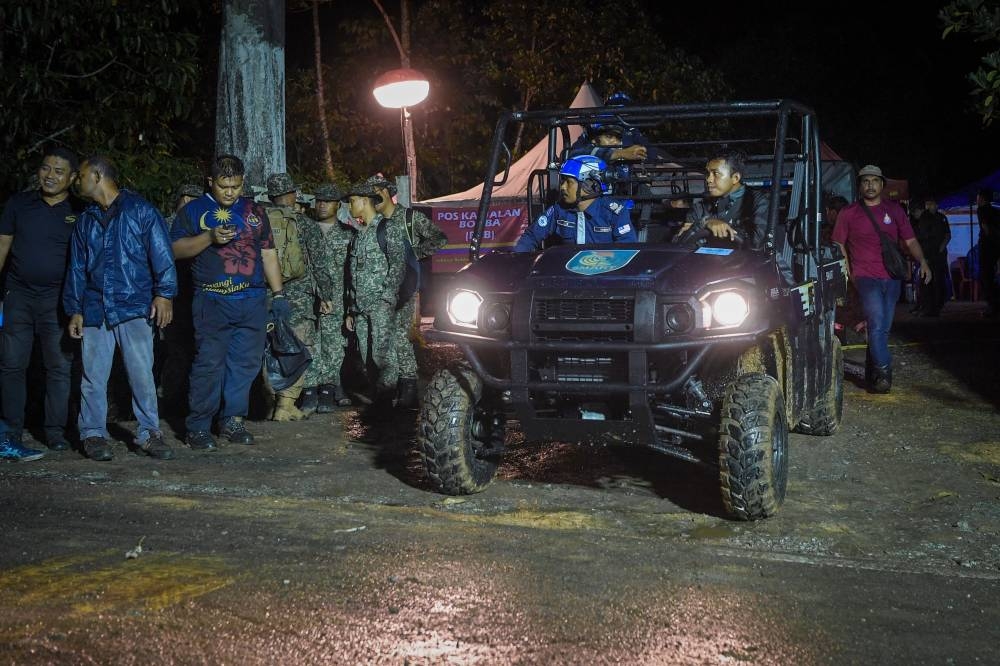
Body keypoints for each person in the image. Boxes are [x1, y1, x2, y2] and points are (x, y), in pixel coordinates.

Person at [63, 155, 178, 461]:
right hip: (95, 307)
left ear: (98, 176)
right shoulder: (86, 220)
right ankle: (93, 435)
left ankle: (149, 432)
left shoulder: (140, 210)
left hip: (134, 305)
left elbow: (162, 255)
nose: (78, 180)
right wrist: (75, 308)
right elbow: (77, 268)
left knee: (141, 374)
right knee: (92, 377)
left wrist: (164, 294)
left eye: (82, 175)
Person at [170, 154, 287, 450]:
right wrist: (209, 237)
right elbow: (174, 250)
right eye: (224, 186)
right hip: (212, 300)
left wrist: (279, 293)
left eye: (235, 186)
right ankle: (198, 426)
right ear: (211, 182)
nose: (230, 192)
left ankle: (232, 420)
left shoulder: (255, 211)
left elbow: (269, 253)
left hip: (252, 301)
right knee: (209, 363)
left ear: (242, 182)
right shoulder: (193, 210)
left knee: (245, 365)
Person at [0, 147, 81, 461]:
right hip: (18, 296)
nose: (50, 176)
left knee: (59, 368)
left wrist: (79, 305)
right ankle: (10, 432)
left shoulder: (81, 210)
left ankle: (55, 432)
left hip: (58, 302)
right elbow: (2, 247)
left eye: (59, 171)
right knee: (11, 366)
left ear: (73, 177)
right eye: (46, 168)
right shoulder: (19, 204)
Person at [832, 165, 931, 394]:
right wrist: (848, 271)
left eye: (874, 181)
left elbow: (910, 240)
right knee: (876, 324)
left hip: (892, 277)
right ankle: (884, 372)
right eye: (865, 181)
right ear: (859, 185)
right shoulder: (849, 212)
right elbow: (838, 244)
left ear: (882, 185)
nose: (870, 185)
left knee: (883, 329)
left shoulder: (894, 211)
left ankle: (873, 370)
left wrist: (923, 261)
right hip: (865, 278)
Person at [262, 173, 336, 421]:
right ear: (292, 195)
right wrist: (326, 295)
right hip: (299, 297)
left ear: (271, 196)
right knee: (300, 348)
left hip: (265, 294)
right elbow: (319, 265)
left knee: (267, 348)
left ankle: (267, 399)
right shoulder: (306, 225)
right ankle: (285, 405)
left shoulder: (257, 221)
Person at [369, 174, 447, 407]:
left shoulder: (409, 218)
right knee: (387, 338)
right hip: (383, 288)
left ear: (386, 192)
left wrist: (413, 253)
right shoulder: (377, 223)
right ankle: (394, 385)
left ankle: (409, 386)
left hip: (405, 286)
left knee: (401, 337)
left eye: (376, 192)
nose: (373, 197)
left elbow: (440, 238)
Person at [343, 180, 407, 404]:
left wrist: (387, 298)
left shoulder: (387, 228)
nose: (349, 206)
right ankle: (379, 399)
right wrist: (351, 309)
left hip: (380, 305)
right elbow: (353, 275)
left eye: (352, 201)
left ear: (364, 201)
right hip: (361, 308)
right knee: (366, 356)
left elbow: (399, 265)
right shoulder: (359, 236)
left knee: (384, 356)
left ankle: (387, 402)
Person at [301, 183, 354, 414]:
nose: (322, 205)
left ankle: (328, 391)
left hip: (337, 300)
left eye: (328, 201)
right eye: (319, 200)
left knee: (333, 347)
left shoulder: (348, 235)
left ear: (338, 205)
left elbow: (354, 272)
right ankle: (309, 391)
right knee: (309, 345)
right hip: (306, 298)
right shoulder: (304, 230)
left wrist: (352, 305)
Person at [514, 155, 636, 252]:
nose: (562, 187)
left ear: (589, 185)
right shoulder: (558, 210)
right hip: (566, 277)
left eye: (569, 182)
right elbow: (531, 236)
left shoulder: (615, 212)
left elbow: (628, 251)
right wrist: (516, 262)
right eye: (563, 181)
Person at [157, 182, 203, 411]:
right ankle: (172, 399)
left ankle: (183, 398)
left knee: (190, 350)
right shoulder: (166, 224)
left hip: (193, 296)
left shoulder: (200, 225)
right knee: (175, 350)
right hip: (172, 297)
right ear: (183, 200)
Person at [915, 197, 951, 317]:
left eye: (930, 204)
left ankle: (937, 306)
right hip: (928, 254)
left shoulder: (941, 218)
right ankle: (928, 307)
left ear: (936, 205)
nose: (928, 207)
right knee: (926, 281)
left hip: (938, 255)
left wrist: (941, 248)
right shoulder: (924, 218)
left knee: (938, 280)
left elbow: (947, 235)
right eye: (927, 204)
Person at [976, 188, 1000, 316]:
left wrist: (988, 238)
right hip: (996, 247)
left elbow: (985, 227)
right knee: (992, 276)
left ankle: (993, 306)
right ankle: (995, 304)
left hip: (987, 247)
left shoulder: (981, 210)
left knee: (986, 276)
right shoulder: (996, 211)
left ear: (982, 198)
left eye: (978, 197)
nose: (976, 200)